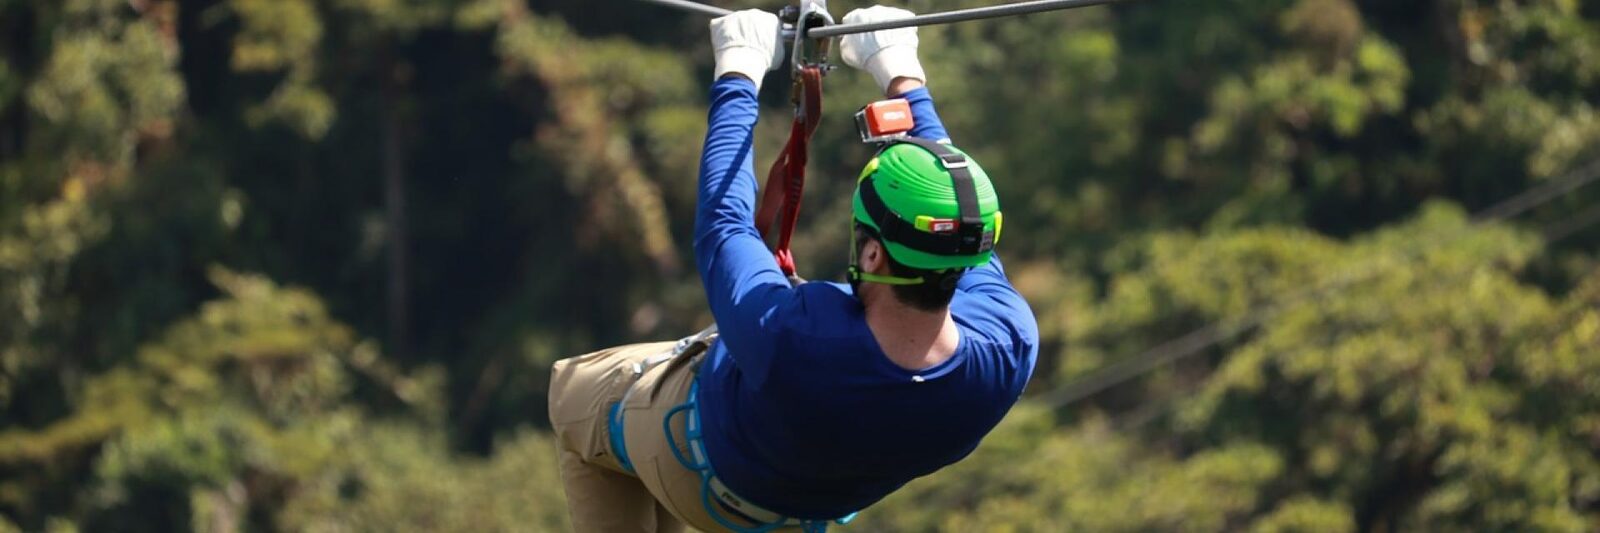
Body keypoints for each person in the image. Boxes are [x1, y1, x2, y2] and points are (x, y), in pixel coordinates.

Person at [548, 6, 1038, 532]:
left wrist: (737, 72)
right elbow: (957, 207)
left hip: (700, 474)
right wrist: (902, 75)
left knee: (572, 390)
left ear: (871, 254)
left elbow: (724, 225)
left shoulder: (795, 336)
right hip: (802, 512)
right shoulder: (1007, 345)